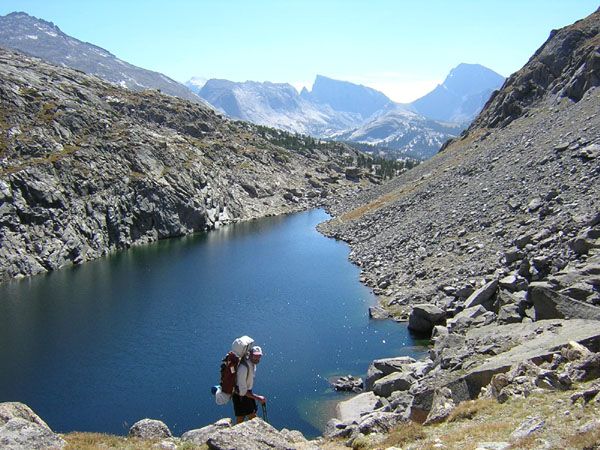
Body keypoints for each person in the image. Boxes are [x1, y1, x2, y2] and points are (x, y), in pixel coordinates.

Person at [232, 345, 266, 423]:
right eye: (255, 356)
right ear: (250, 355)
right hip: (240, 395)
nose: (257, 358)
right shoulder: (243, 368)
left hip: (246, 392)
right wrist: (258, 398)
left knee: (248, 415)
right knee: (247, 416)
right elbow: (242, 392)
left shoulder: (252, 365)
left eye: (259, 356)